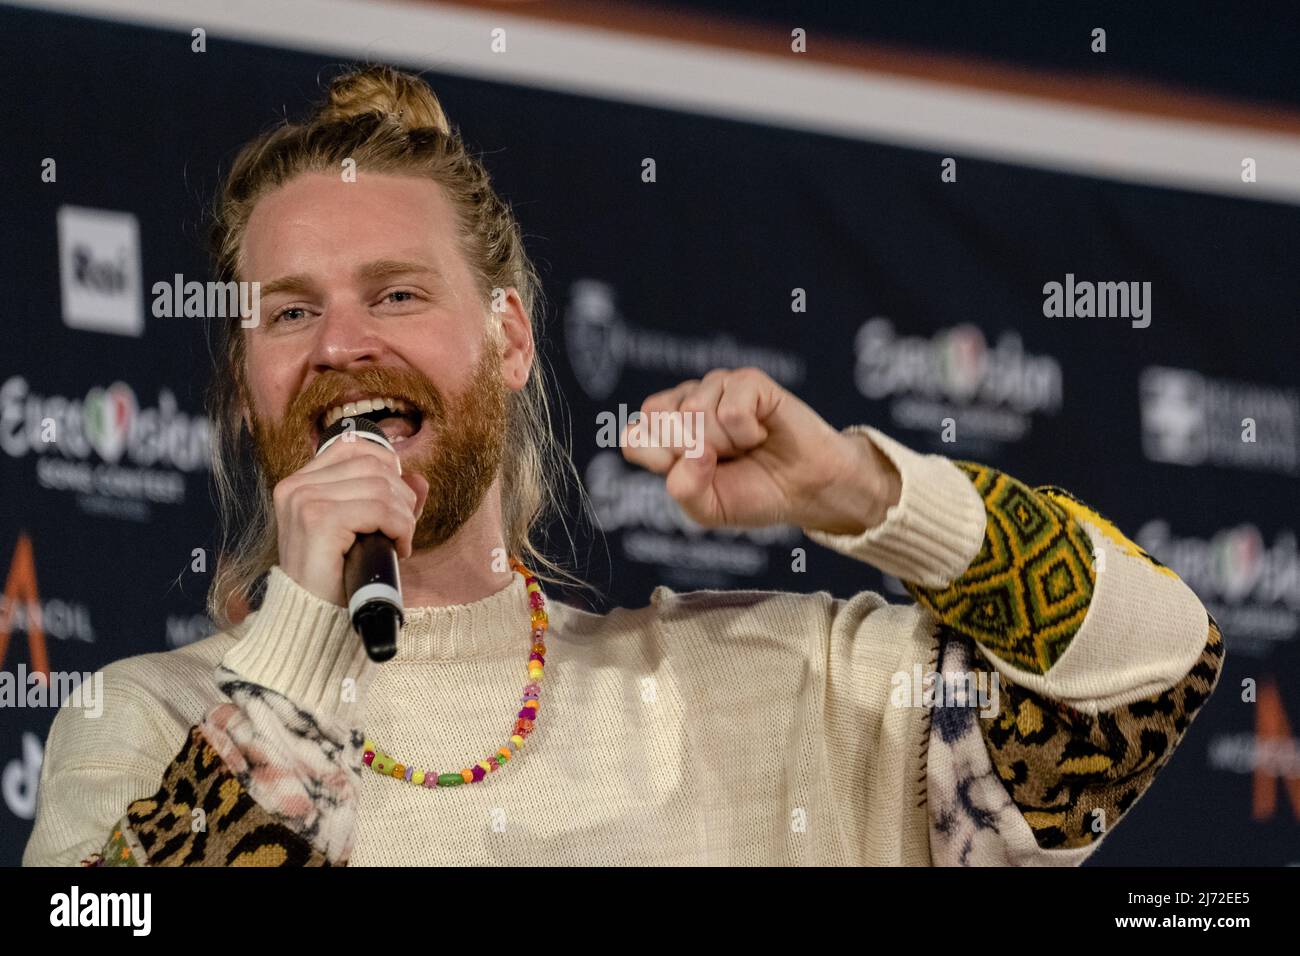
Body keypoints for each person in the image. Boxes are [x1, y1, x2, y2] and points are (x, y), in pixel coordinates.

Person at [23, 65, 1223, 867]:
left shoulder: (768, 688)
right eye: (289, 314)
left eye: (396, 292)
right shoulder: (138, 726)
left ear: (505, 338)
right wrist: (296, 647)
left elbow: (1150, 670)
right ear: (244, 381)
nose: (342, 344)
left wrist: (871, 496)